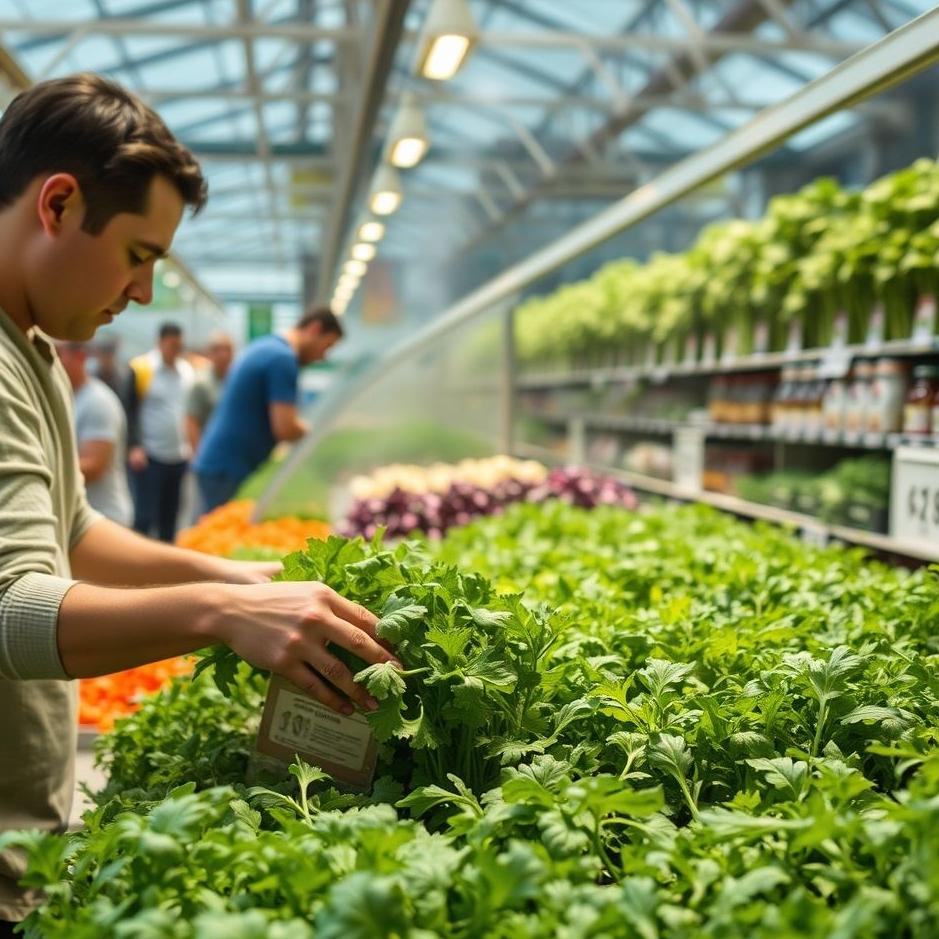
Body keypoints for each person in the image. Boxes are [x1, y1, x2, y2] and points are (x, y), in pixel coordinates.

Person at [0, 74, 396, 934]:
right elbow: (13, 614)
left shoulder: (31, 346)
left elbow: (73, 533)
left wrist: (238, 578)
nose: (145, 293)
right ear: (57, 205)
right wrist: (220, 613)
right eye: (139, 254)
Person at [194, 308, 343, 515]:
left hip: (219, 463)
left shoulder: (266, 346)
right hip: (228, 469)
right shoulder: (283, 359)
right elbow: (285, 428)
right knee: (217, 532)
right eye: (327, 346)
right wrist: (314, 433)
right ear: (314, 329)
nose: (323, 356)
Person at [125, 321, 194, 541]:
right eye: (172, 345)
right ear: (161, 342)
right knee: (144, 517)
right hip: (150, 456)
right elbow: (129, 410)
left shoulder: (186, 371)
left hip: (178, 455)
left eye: (179, 346)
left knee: (170, 517)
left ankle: (166, 558)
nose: (176, 350)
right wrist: (134, 445)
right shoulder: (142, 368)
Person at [57, 341, 133, 527]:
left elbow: (94, 466)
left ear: (80, 356)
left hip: (105, 518)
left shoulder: (98, 402)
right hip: (83, 518)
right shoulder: (66, 396)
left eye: (59, 353)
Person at [186, 330, 234, 453]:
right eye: (218, 350)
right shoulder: (201, 383)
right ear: (210, 353)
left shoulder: (236, 380)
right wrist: (199, 455)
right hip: (210, 451)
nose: (223, 355)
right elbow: (191, 422)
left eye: (227, 350)